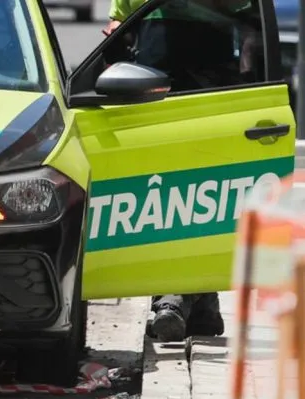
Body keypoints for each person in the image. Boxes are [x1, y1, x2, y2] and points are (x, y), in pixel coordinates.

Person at [100, 0, 260, 341]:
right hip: (168, 79)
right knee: (185, 192)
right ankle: (200, 301)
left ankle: (175, 298)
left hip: (198, 80)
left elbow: (118, 22)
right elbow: (118, 23)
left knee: (185, 192)